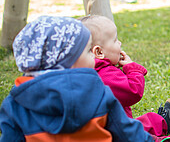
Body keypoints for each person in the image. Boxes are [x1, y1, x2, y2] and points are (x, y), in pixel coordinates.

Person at [0, 16, 155, 141]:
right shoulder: (96, 91)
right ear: (69, 60)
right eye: (88, 51)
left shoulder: (14, 103)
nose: (93, 58)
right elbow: (127, 134)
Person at [80, 14, 170, 142]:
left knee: (143, 122)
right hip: (116, 134)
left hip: (113, 126)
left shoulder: (88, 72)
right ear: (98, 51)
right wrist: (131, 68)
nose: (120, 43)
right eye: (115, 40)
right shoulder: (104, 75)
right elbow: (133, 91)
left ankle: (162, 122)